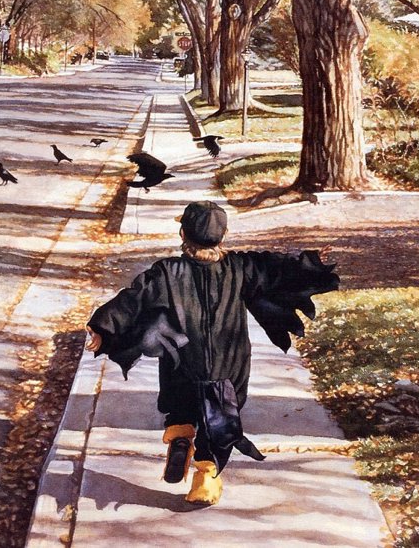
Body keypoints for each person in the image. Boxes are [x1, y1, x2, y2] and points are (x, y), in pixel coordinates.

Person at [85, 201, 339, 505]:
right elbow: (277, 269)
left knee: (181, 402)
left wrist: (102, 326)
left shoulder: (167, 271)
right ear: (224, 235)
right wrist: (312, 264)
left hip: (182, 360)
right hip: (228, 363)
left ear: (182, 234)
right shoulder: (241, 267)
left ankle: (180, 436)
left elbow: (134, 299)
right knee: (220, 416)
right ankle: (205, 477)